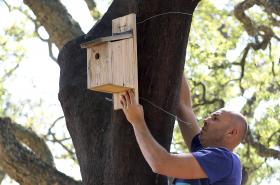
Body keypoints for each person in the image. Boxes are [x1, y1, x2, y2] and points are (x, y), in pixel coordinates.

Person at [119, 75, 247, 185]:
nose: (206, 120)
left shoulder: (226, 160)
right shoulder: (203, 152)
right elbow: (183, 106)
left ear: (231, 132)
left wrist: (137, 121)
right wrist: (173, 54)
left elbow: (160, 163)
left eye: (215, 118)